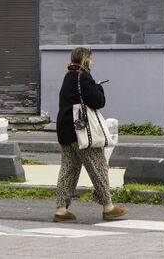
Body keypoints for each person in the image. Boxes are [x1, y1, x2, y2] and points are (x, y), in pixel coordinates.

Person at [53, 47, 129, 223]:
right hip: (82, 131)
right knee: (98, 166)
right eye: (91, 59)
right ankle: (108, 207)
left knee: (68, 170)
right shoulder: (84, 77)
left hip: (65, 129)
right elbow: (98, 102)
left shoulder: (68, 76)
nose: (92, 62)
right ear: (85, 59)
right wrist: (98, 87)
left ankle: (61, 210)